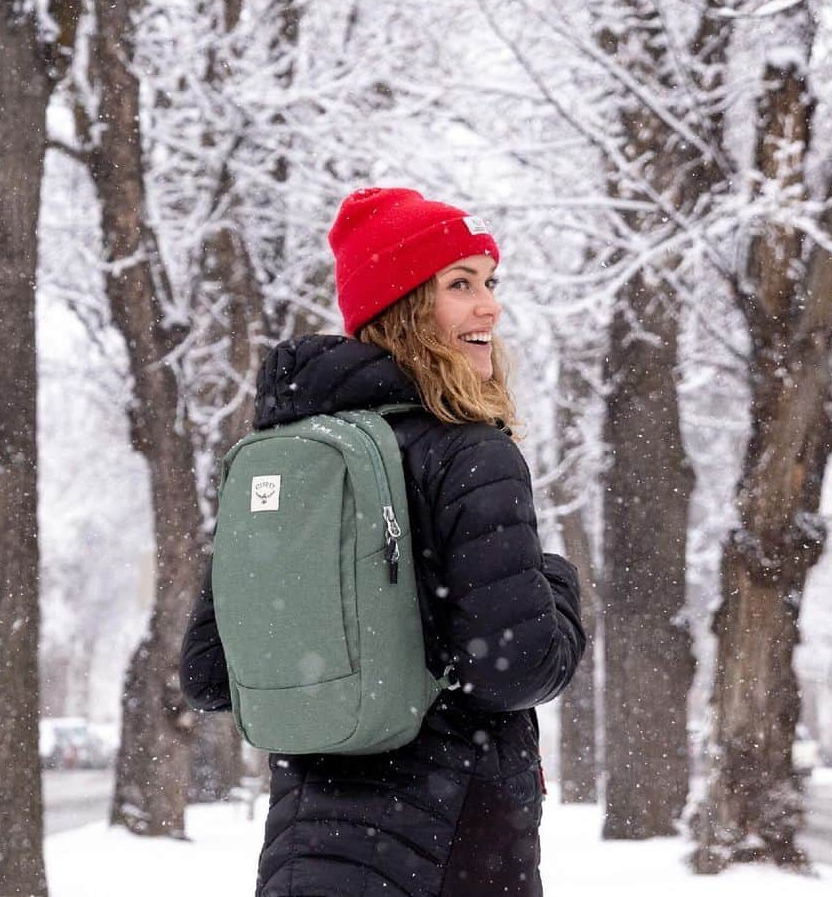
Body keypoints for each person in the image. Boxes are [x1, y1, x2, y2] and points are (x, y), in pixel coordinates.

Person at [181, 186, 586, 896]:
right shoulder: (469, 454)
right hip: (456, 844)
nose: (489, 306)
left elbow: (211, 674)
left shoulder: (282, 454)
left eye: (489, 283)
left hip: (310, 851)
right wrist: (559, 588)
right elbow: (515, 668)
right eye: (460, 285)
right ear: (402, 308)